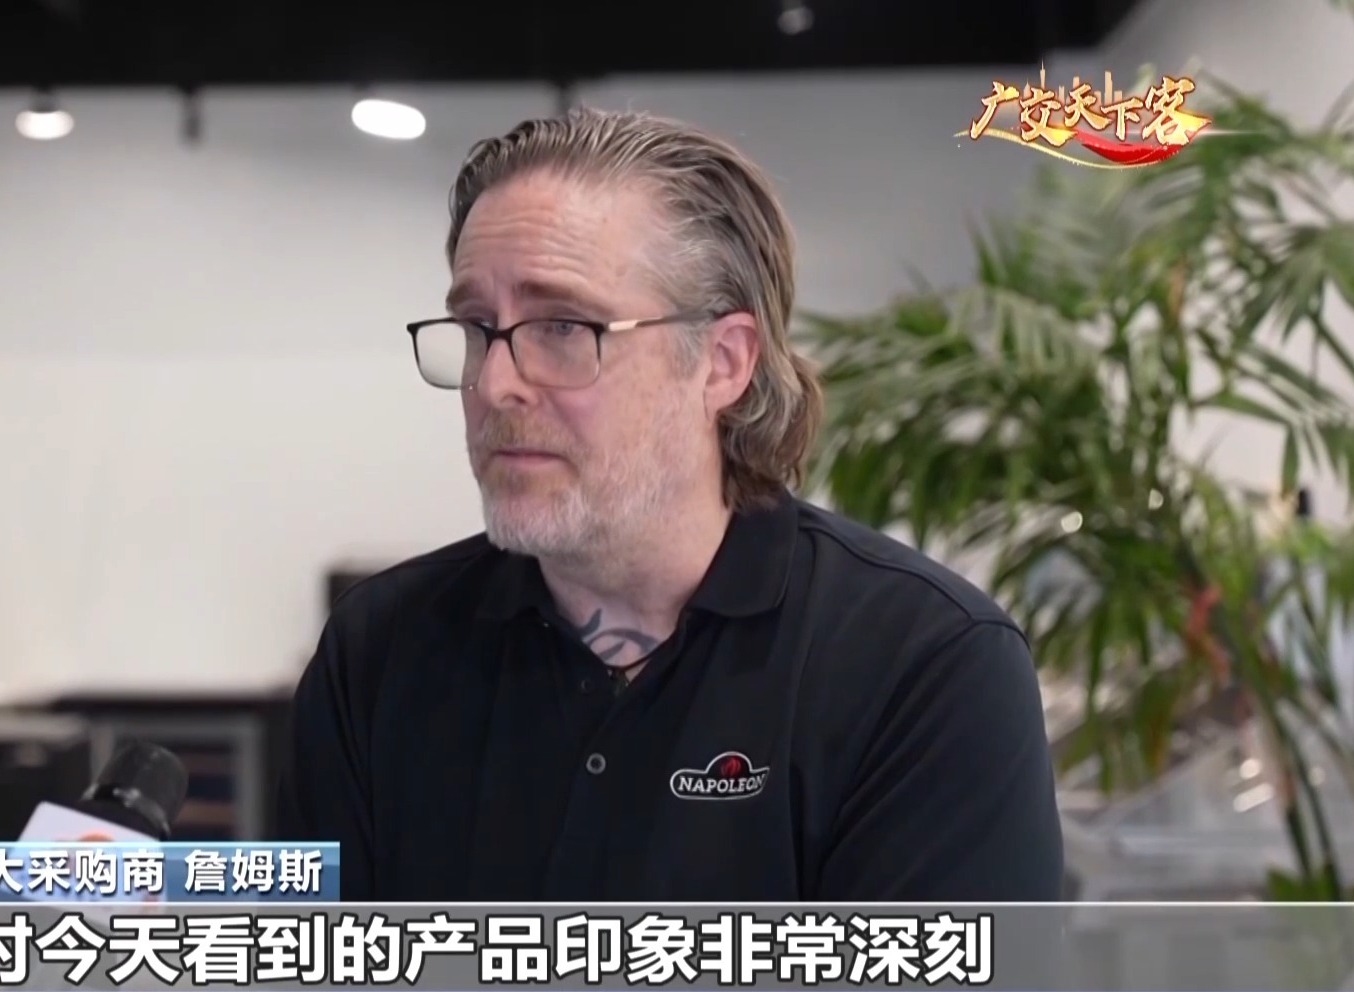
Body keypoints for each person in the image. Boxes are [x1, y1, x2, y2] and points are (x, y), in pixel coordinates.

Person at [278, 108, 1063, 901]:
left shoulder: (924, 668)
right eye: (478, 327)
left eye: (562, 326)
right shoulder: (378, 655)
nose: (496, 382)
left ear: (722, 363)